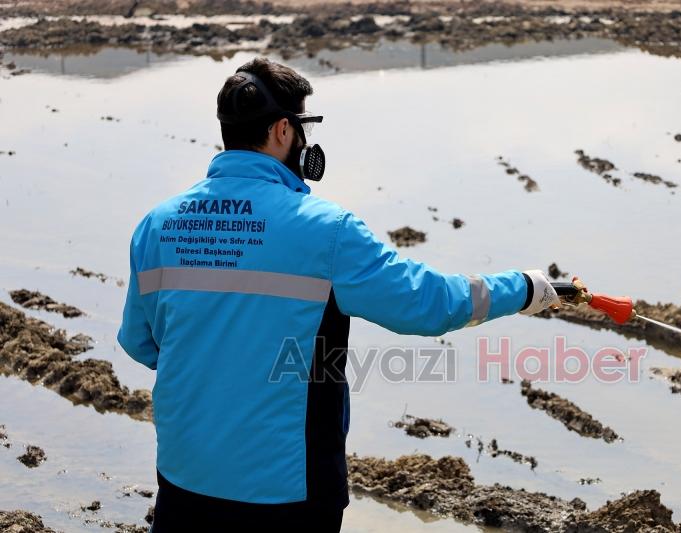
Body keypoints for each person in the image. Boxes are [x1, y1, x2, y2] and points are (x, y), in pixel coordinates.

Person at [118, 58, 560, 532]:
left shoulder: (158, 225)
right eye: (303, 127)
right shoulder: (327, 231)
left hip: (184, 480)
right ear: (283, 130)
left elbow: (142, 344)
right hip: (287, 489)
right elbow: (429, 304)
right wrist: (524, 288)